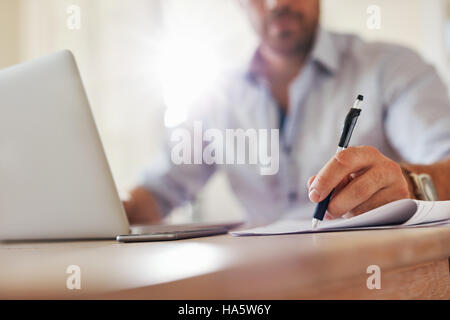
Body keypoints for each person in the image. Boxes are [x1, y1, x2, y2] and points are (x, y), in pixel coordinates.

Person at [124, 0, 450, 226]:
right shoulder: (215, 99)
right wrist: (106, 209)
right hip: (257, 283)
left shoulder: (391, 68)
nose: (277, 2)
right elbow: (157, 190)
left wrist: (410, 183)